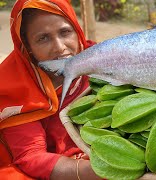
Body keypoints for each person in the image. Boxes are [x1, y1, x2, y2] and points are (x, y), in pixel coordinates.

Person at [0, 0, 101, 179]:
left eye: (65, 32)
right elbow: (32, 157)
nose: (59, 47)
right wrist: (111, 170)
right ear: (28, 48)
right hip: (67, 168)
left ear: (77, 31)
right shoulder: (16, 88)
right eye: (43, 38)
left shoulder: (103, 59)